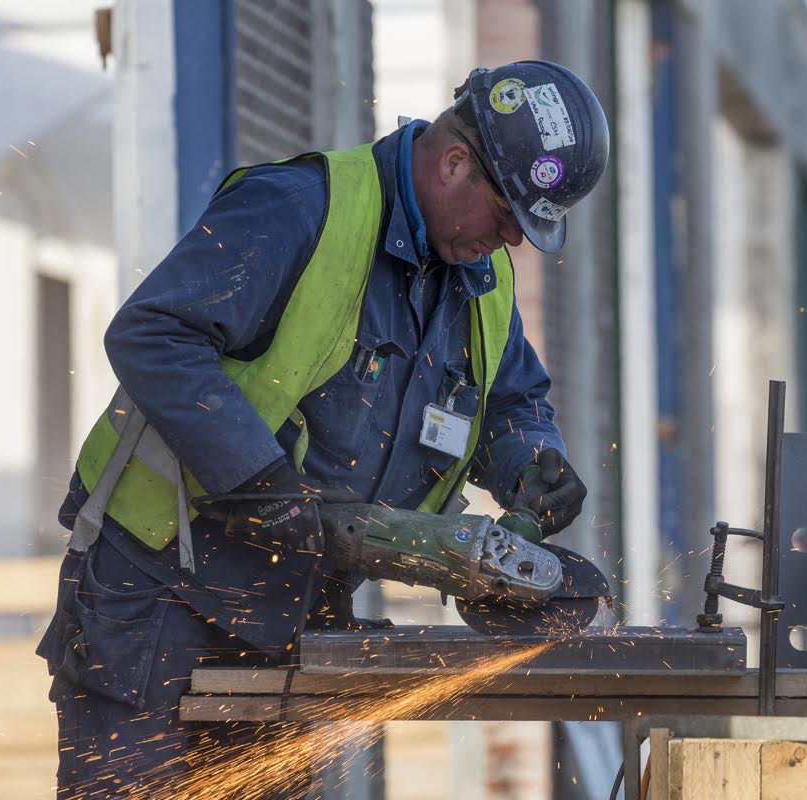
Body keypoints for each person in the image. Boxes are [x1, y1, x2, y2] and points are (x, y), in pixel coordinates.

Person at [37, 59, 609, 797]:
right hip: (158, 594)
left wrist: (535, 461)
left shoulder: (478, 281)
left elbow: (512, 400)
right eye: (507, 218)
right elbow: (153, 334)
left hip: (289, 612)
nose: (512, 242)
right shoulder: (301, 206)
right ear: (454, 163)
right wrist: (252, 477)